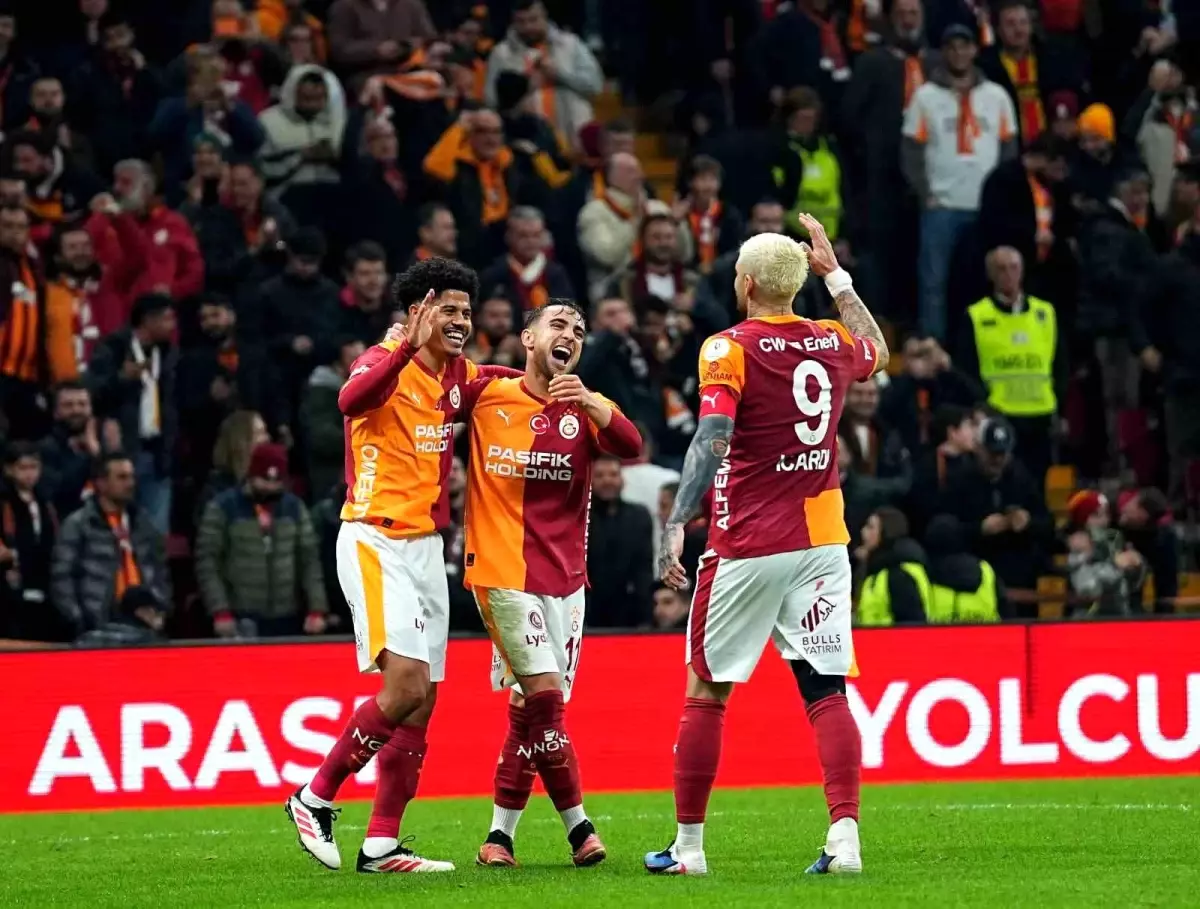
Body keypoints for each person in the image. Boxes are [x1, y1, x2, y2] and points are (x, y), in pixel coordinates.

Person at [646, 215, 888, 876]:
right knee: (825, 688)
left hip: (750, 540)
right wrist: (836, 276)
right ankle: (845, 840)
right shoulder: (833, 339)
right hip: (823, 540)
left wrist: (678, 518)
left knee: (706, 689)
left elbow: (712, 437)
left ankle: (689, 849)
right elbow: (878, 349)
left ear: (747, 284)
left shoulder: (727, 347)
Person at [283, 257, 518, 874]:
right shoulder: (382, 359)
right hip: (373, 537)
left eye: (467, 311)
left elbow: (495, 381)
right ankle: (314, 796)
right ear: (418, 311)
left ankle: (382, 844)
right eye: (449, 310)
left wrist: (543, 376)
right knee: (406, 685)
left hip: (425, 549)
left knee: (422, 701)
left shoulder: (456, 374)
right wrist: (404, 346)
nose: (462, 321)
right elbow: (349, 399)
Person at [458, 300, 641, 868]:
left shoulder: (585, 406)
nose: (571, 336)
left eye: (579, 331)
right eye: (558, 325)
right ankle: (580, 828)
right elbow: (434, 386)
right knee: (546, 700)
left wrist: (589, 401)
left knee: (529, 711)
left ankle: (499, 837)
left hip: (567, 582)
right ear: (528, 337)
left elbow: (631, 444)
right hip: (501, 572)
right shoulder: (487, 393)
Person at [902, 25, 1018, 341]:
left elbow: (1009, 151)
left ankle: (981, 345)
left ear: (974, 50)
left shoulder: (997, 96)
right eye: (951, 47)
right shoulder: (925, 96)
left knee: (986, 281)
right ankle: (934, 348)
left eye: (964, 46)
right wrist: (925, 194)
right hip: (941, 205)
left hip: (985, 208)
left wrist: (1001, 198)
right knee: (933, 283)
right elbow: (911, 151)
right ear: (943, 52)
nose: (958, 53)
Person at [195, 442, 327, 637]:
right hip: (240, 618)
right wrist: (220, 611)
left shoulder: (294, 508)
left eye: (276, 481)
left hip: (287, 618)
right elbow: (208, 562)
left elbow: (309, 561)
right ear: (251, 475)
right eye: (264, 480)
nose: (270, 487)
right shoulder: (223, 507)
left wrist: (316, 609)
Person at [959, 246, 1065, 485]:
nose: (1008, 274)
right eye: (1001, 269)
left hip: (1040, 415)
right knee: (1004, 481)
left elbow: (1060, 364)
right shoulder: (977, 315)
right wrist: (983, 403)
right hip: (1001, 413)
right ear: (991, 274)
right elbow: (967, 367)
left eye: (1014, 267)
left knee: (1038, 486)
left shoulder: (1045, 313)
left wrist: (1058, 399)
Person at [49, 452, 169, 638]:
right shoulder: (79, 524)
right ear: (101, 483)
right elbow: (62, 577)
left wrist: (161, 607)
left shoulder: (144, 524)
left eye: (131, 477)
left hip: (145, 623)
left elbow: (160, 570)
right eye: (122, 477)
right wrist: (78, 619)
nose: (130, 483)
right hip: (98, 625)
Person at [87, 293, 178, 533]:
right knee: (120, 526)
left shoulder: (168, 353)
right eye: (167, 319)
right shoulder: (112, 349)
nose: (172, 325)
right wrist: (122, 378)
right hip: (124, 450)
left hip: (158, 452)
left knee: (156, 532)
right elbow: (92, 393)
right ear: (148, 320)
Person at [485, 0, 602, 148]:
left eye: (533, 20)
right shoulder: (501, 54)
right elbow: (491, 101)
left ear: (545, 17)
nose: (528, 27)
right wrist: (525, 86)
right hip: (526, 142)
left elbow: (595, 86)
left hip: (573, 137)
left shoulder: (571, 44)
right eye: (521, 22)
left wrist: (560, 75)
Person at [587, 452, 655, 627]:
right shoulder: (579, 517)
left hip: (628, 610)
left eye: (613, 474)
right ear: (590, 480)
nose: (607, 480)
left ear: (622, 479)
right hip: (587, 608)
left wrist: (645, 618)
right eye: (599, 475)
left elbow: (644, 568)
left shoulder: (639, 515)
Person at [0, 441, 60, 641]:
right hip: (10, 583)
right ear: (9, 469)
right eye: (23, 468)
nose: (29, 474)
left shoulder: (45, 502)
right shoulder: (4, 502)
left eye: (34, 467)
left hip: (42, 580)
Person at [854, 506, 930, 626]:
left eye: (870, 527)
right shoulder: (877, 570)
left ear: (886, 533)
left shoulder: (899, 575)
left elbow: (910, 626)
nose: (863, 532)